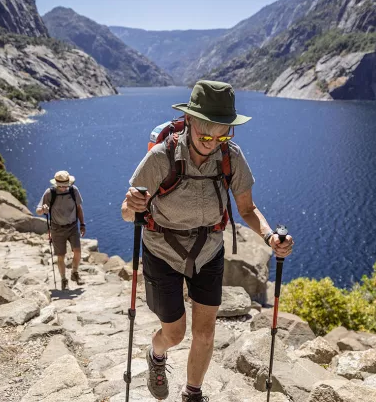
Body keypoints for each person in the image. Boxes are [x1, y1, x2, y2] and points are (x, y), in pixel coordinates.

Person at [121, 80, 294, 401]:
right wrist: (132, 205)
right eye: (205, 134)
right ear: (188, 121)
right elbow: (127, 211)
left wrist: (270, 237)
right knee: (174, 334)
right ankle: (156, 355)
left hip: (209, 250)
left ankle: (192, 393)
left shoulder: (231, 157)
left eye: (223, 134)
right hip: (162, 251)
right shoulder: (162, 157)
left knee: (205, 331)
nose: (213, 142)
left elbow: (247, 208)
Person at [36, 170, 86, 290]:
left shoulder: (74, 190)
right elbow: (38, 210)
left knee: (77, 251)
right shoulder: (50, 193)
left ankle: (74, 273)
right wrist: (43, 209)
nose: (63, 188)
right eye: (61, 186)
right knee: (61, 256)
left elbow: (79, 208)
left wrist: (82, 224)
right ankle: (64, 279)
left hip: (73, 226)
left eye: (65, 185)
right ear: (56, 184)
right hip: (57, 229)